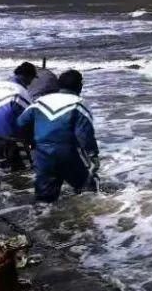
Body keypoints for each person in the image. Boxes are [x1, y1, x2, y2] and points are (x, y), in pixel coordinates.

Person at [16, 69, 99, 204]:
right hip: (67, 153)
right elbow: (84, 134)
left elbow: (20, 124)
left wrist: (30, 144)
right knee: (87, 189)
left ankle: (41, 220)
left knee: (44, 198)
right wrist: (93, 155)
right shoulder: (79, 103)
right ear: (80, 86)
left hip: (42, 153)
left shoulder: (39, 102)